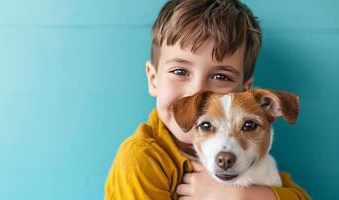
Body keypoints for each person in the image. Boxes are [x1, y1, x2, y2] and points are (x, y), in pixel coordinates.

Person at [105, 0, 311, 199]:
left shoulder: (253, 158)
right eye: (179, 71)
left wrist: (244, 196)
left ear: (243, 91)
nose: (197, 91)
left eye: (221, 77)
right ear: (153, 79)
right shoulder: (141, 159)